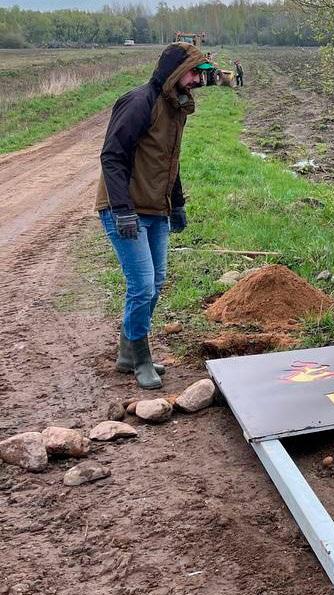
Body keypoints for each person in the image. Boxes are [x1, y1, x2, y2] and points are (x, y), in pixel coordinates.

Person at [95, 42, 211, 389]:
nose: (196, 80)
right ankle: (141, 357)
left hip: (156, 210)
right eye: (193, 72)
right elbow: (112, 157)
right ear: (175, 71)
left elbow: (169, 162)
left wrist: (177, 203)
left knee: (156, 284)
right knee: (142, 285)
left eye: (199, 75)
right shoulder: (139, 102)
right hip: (125, 210)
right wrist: (123, 210)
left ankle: (127, 352)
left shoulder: (175, 108)